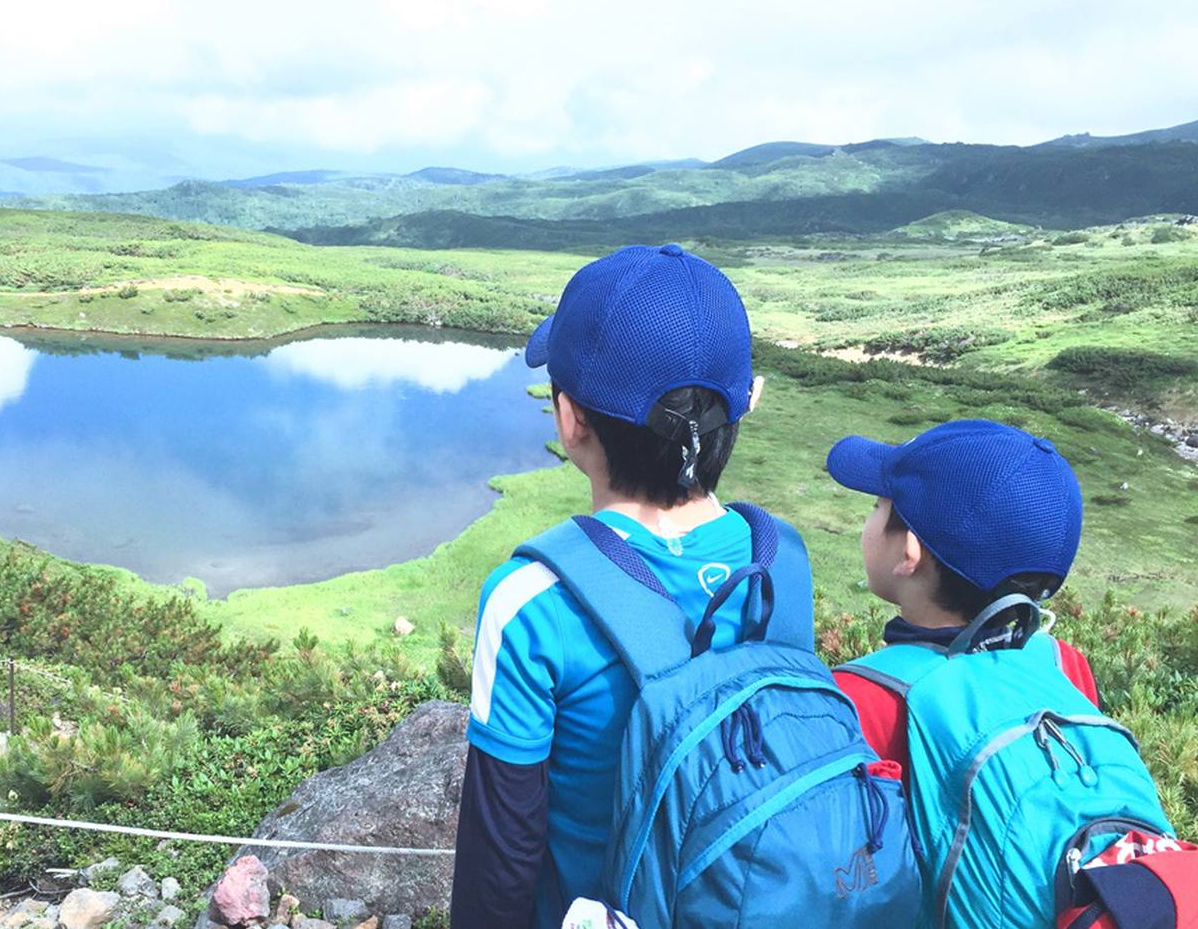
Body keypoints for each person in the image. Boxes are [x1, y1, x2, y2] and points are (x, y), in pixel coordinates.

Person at [449, 243, 775, 927]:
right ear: (749, 402)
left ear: (570, 420)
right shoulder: (782, 562)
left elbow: (499, 859)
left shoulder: (532, 602)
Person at [828, 419, 1174, 928]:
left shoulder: (855, 697)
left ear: (909, 553)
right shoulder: (1062, 663)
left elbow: (842, 878)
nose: (872, 517)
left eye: (878, 507)